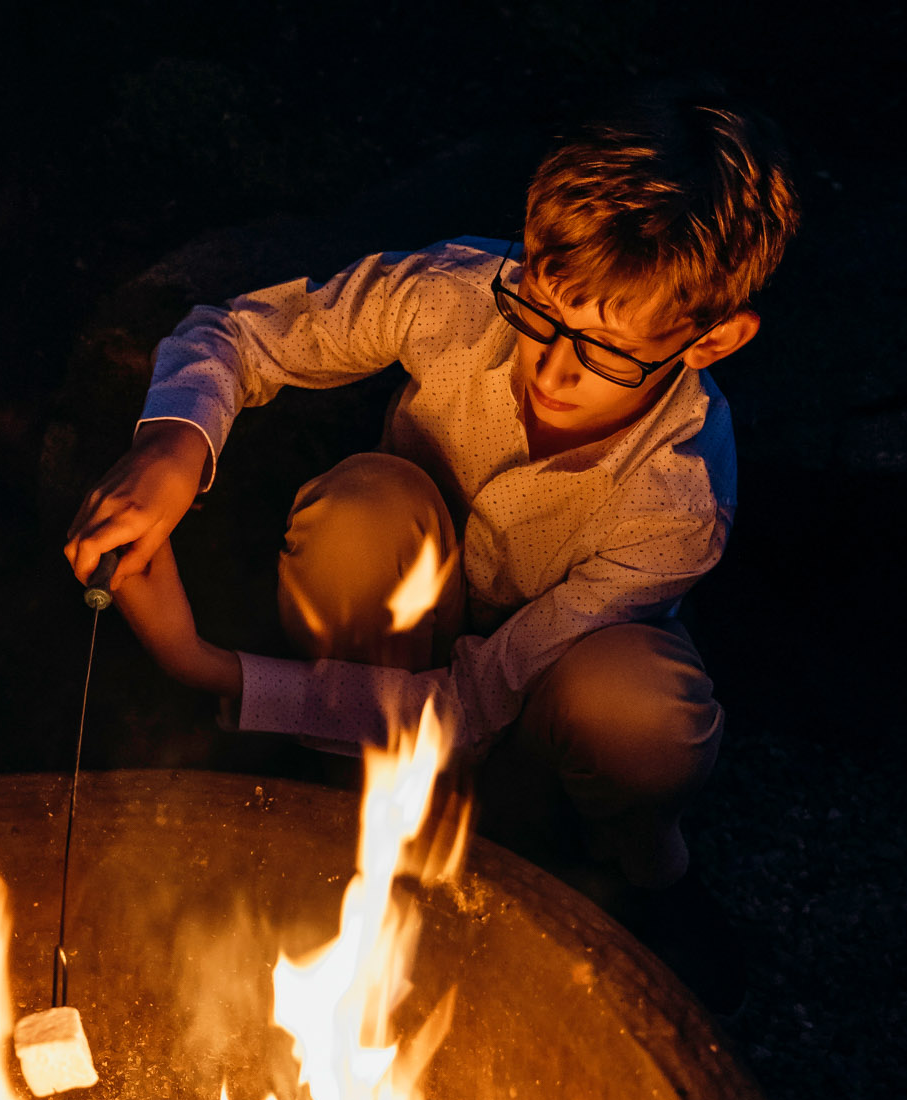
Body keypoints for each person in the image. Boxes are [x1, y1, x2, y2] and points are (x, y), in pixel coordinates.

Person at [64, 85, 800, 1015]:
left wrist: (201, 664)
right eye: (541, 313)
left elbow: (467, 704)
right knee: (359, 510)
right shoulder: (455, 294)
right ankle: (358, 811)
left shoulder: (678, 500)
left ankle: (640, 867)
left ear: (714, 340)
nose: (552, 368)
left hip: (544, 689)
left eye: (606, 352)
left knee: (640, 715)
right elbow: (240, 335)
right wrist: (171, 442)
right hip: (400, 614)